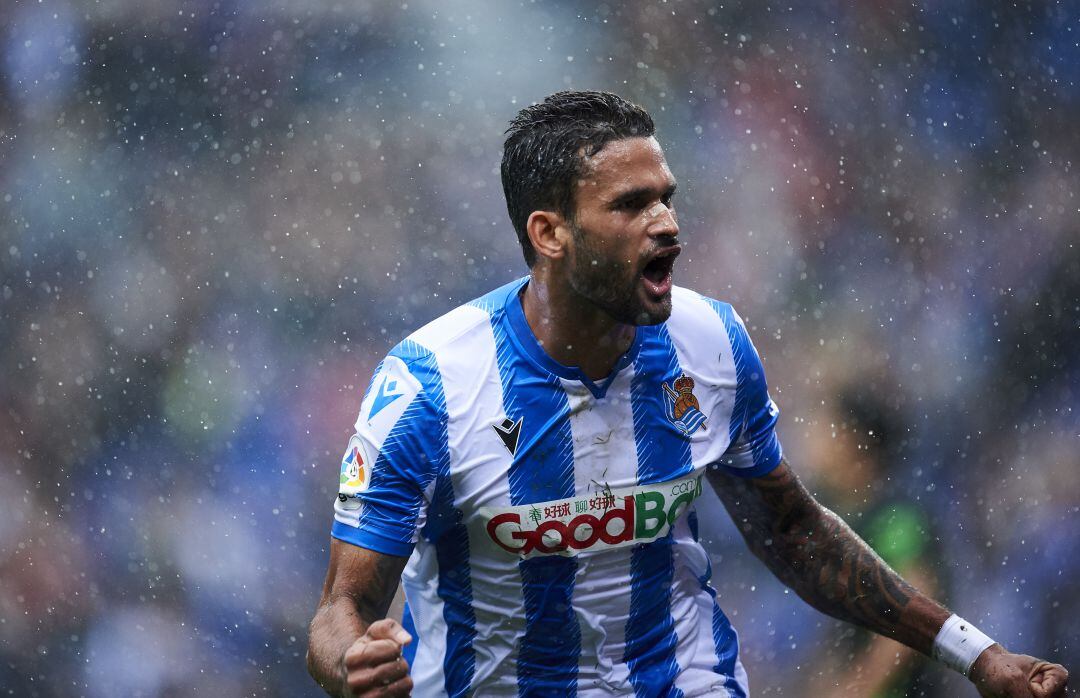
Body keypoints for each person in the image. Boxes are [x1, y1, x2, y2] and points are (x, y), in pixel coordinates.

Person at [306, 90, 1069, 697]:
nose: (667, 224)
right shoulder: (430, 386)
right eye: (631, 205)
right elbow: (344, 610)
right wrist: (352, 664)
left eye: (666, 198)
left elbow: (795, 533)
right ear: (549, 233)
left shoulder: (710, 342)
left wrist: (978, 655)